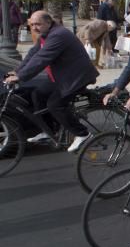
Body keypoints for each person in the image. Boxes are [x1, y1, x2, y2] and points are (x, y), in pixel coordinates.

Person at [3, 11, 98, 152]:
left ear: (48, 22)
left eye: (38, 24)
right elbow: (33, 55)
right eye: (32, 24)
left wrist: (21, 77)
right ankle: (49, 131)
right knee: (37, 94)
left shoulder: (58, 35)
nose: (34, 28)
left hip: (76, 77)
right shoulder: (46, 34)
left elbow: (42, 59)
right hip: (61, 76)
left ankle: (82, 133)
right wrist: (18, 71)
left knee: (55, 104)